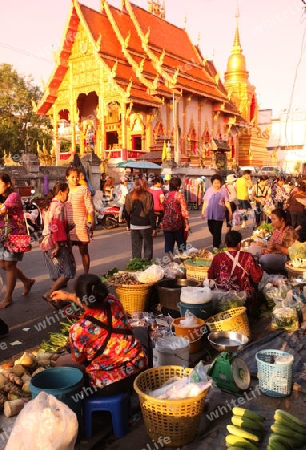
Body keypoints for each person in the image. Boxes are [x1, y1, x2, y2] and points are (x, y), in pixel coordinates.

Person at [51, 274, 148, 395]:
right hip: (138, 369)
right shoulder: (114, 302)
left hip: (110, 385)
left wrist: (71, 297)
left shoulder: (78, 330)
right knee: (140, 330)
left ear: (81, 300)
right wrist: (69, 296)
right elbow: (93, 299)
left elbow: (79, 360)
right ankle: (147, 382)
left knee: (61, 362)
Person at [0, 173, 36, 308]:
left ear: (8, 184)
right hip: (1, 236)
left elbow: (2, 210)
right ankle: (27, 281)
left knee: (9, 266)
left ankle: (8, 297)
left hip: (13, 236)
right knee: (4, 265)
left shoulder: (13, 196)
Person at [207, 231, 264, 315]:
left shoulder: (218, 257)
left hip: (223, 295)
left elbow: (210, 275)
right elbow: (257, 277)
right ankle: (251, 311)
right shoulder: (247, 257)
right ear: (239, 244)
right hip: (244, 297)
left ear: (226, 244)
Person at [41, 182, 76, 303]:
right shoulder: (60, 206)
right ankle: (49, 294)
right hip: (56, 243)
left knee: (59, 272)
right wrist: (58, 245)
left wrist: (68, 227)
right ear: (61, 192)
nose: (67, 196)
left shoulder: (49, 205)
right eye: (67, 193)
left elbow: (51, 226)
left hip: (47, 242)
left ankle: (58, 299)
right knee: (67, 272)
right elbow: (57, 226)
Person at [66, 166, 95, 274]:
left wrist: (93, 220)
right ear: (67, 177)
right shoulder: (64, 190)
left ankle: (85, 274)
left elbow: (89, 206)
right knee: (67, 252)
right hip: (67, 226)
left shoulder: (84, 189)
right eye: (72, 177)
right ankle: (69, 273)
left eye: (77, 177)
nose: (75, 179)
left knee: (84, 252)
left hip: (80, 225)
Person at [124, 177, 156, 260]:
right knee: (148, 249)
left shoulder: (129, 195)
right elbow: (150, 212)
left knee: (136, 250)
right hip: (146, 226)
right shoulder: (148, 195)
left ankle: (136, 268)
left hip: (134, 225)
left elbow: (126, 212)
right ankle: (147, 267)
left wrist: (127, 224)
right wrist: (154, 227)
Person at [259, 208, 298, 273]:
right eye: (271, 219)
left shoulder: (289, 232)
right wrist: (266, 248)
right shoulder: (275, 230)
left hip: (285, 258)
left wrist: (277, 246)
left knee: (263, 260)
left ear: (282, 220)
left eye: (274, 219)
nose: (272, 222)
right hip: (274, 255)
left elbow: (291, 252)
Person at [201, 174, 232, 251]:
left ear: (221, 182)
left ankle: (215, 246)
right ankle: (218, 240)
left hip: (219, 214)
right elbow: (205, 201)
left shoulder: (224, 191)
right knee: (211, 229)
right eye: (215, 183)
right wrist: (203, 211)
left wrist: (231, 213)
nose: (217, 184)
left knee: (217, 229)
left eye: (218, 183)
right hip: (209, 214)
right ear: (212, 183)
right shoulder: (209, 190)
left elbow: (227, 203)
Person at [161, 177, 189, 255]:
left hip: (167, 223)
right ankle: (181, 260)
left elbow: (163, 208)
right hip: (178, 223)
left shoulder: (165, 196)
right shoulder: (180, 196)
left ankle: (171, 262)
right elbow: (184, 210)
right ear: (178, 186)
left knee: (169, 244)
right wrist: (187, 223)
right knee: (181, 243)